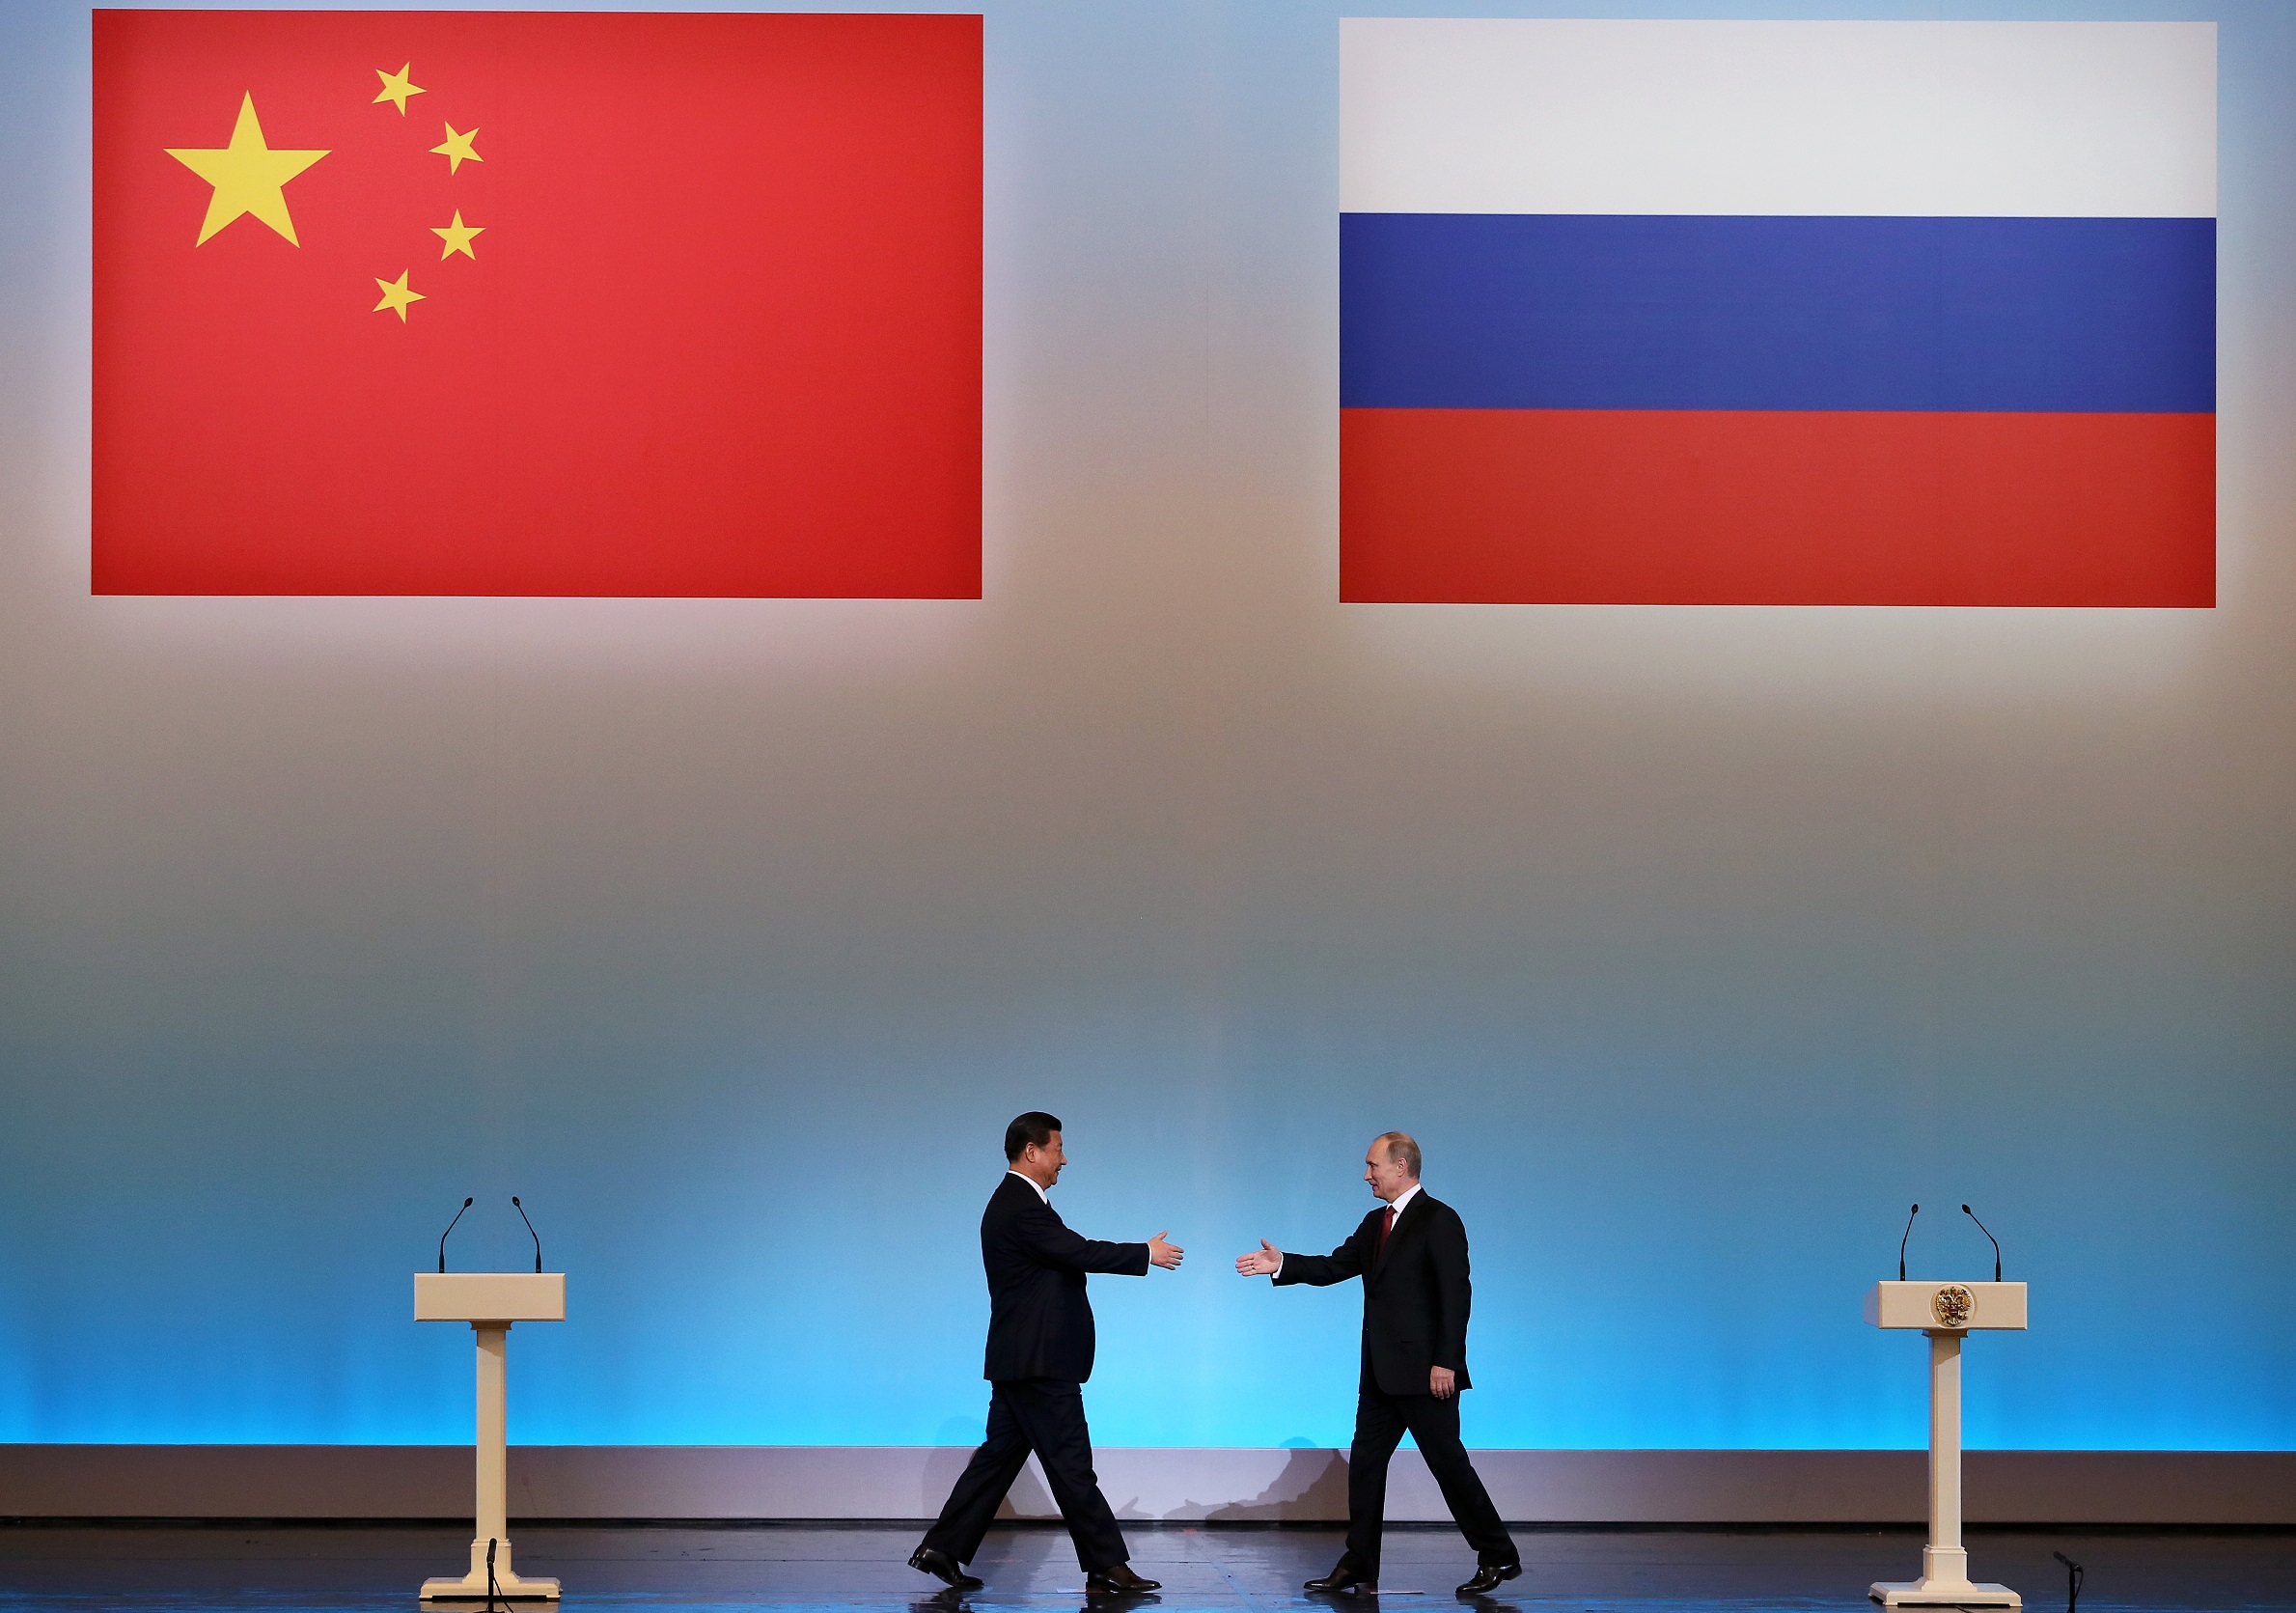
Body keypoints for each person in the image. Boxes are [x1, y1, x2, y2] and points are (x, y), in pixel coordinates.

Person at [1233, 1131, 1519, 1596]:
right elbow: (1333, 1266)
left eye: (1373, 1166)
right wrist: (1281, 1262)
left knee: (1448, 1465)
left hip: (1428, 1376)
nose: (1367, 1175)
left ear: (1401, 1167)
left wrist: (1446, 1362)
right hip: (1381, 1376)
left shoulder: (1439, 1219)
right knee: (1365, 1466)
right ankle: (1360, 1563)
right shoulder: (1374, 1222)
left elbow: (1456, 1296)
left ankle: (1499, 1554)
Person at [911, 1112, 1182, 1597]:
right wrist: (1143, 1253)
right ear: (1032, 1152)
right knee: (1071, 1463)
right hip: (1039, 1363)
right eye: (1057, 1149)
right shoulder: (1020, 1204)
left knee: (997, 1460)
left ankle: (942, 1548)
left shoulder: (1015, 1202)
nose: (1064, 1159)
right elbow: (1075, 1251)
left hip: (1022, 1359)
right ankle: (1106, 1566)